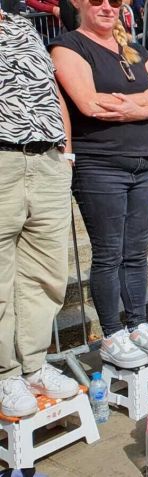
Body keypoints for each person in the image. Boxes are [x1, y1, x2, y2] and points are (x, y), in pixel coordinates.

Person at [50, 0, 148, 368]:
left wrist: (125, 107)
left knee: (136, 252)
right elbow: (88, 104)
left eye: (116, 1)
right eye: (97, 0)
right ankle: (112, 333)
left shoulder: (137, 50)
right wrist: (144, 100)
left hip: (143, 160)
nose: (107, 6)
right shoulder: (68, 45)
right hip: (99, 163)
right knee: (108, 253)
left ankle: (137, 324)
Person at [0, 6, 81, 418]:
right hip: (3, 160)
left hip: (47, 158)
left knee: (46, 271)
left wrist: (65, 152)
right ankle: (5, 373)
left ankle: (32, 365)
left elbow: (50, 90)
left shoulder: (19, 22)